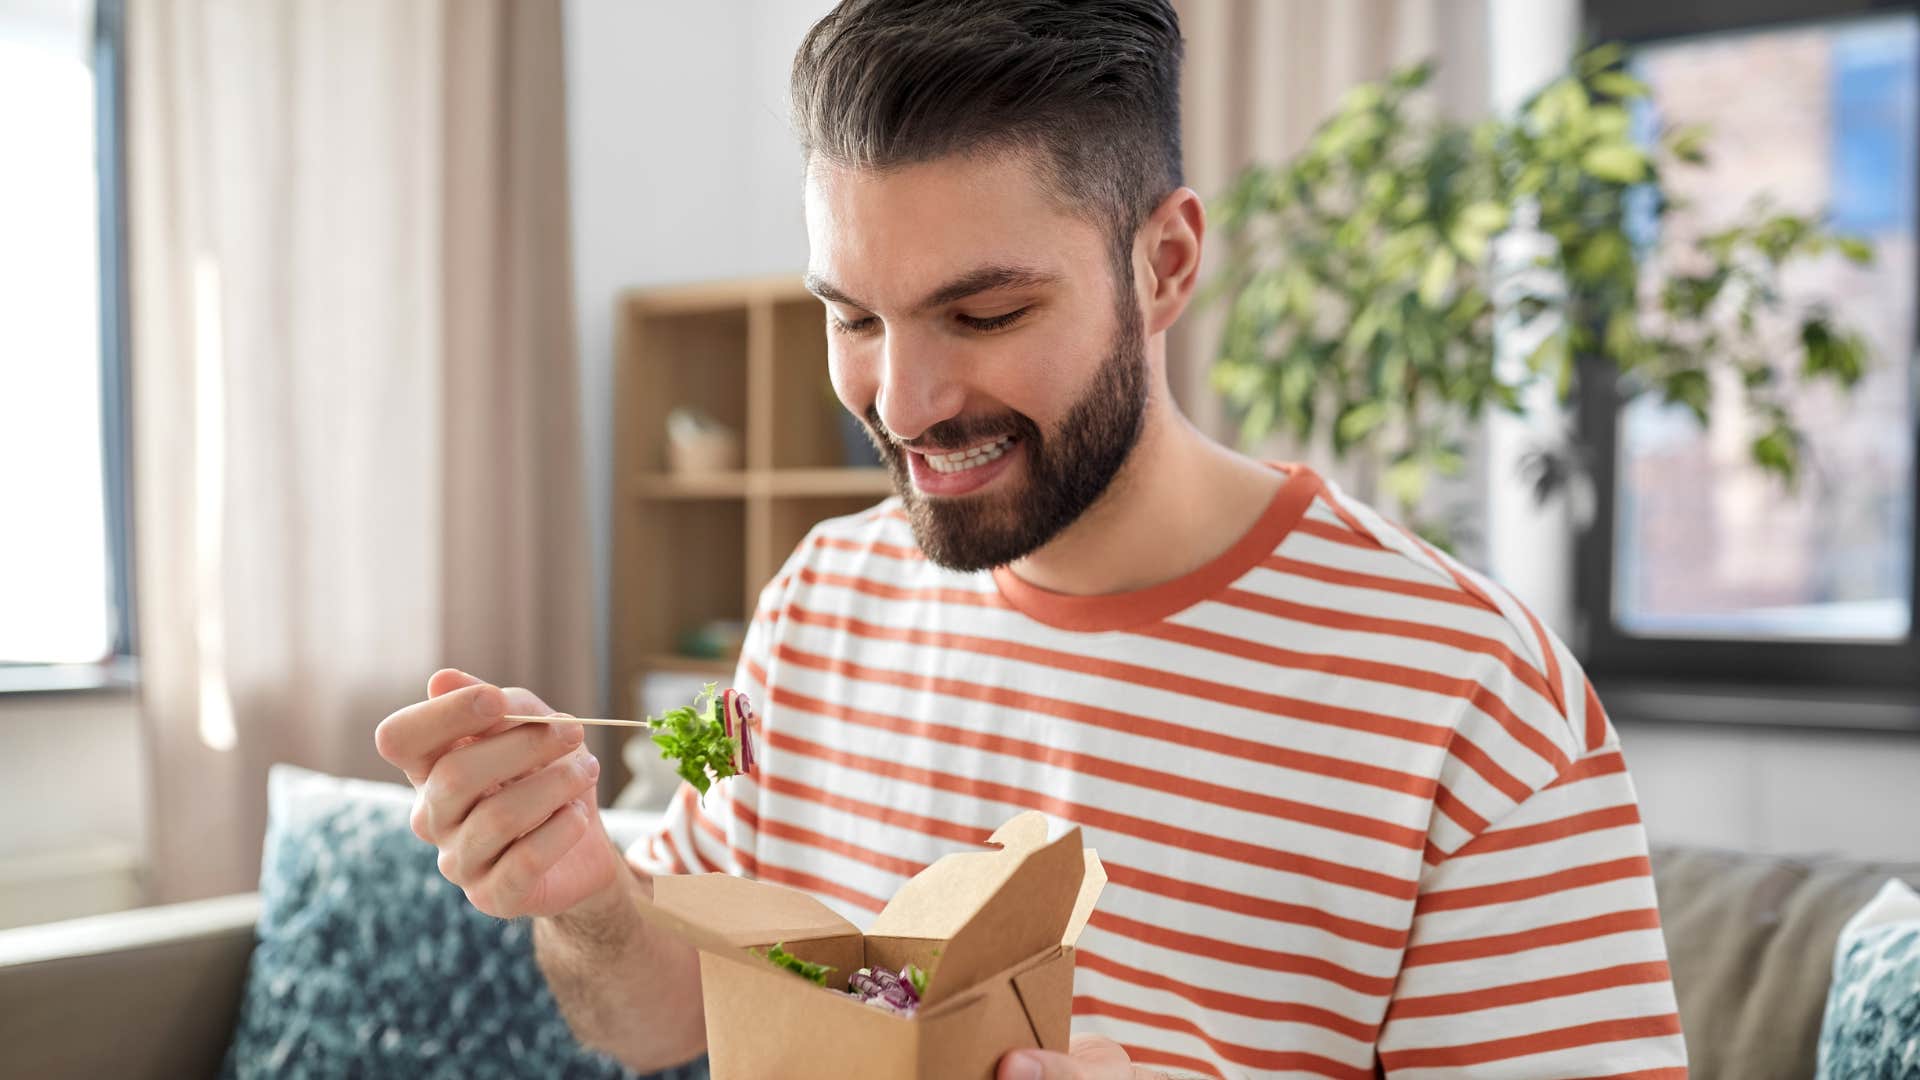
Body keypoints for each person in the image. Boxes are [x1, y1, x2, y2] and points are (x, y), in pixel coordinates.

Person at [375, 2, 1688, 1076]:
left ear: (1165, 266)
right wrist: (582, 890)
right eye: (856, 318)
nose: (903, 404)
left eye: (986, 313)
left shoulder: (1470, 704)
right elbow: (664, 1018)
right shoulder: (824, 599)